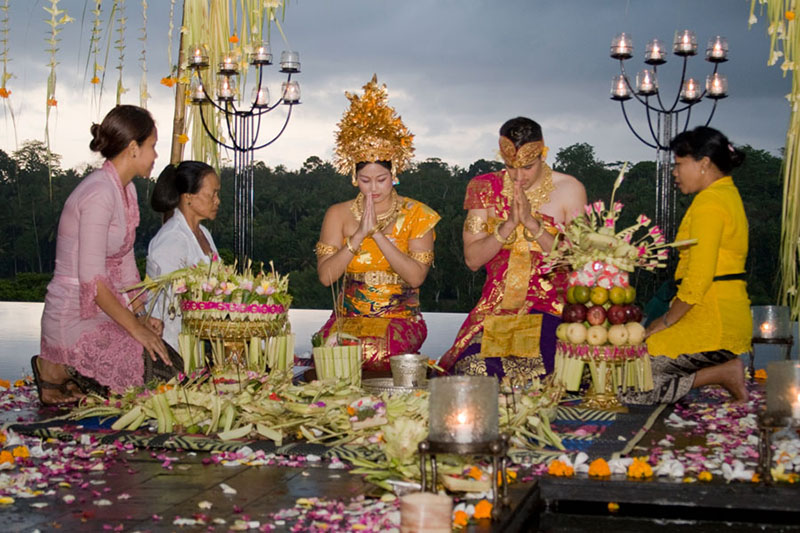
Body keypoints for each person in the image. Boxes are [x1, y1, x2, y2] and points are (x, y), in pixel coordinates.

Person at [35, 105, 169, 405]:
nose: (155, 155)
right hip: (73, 316)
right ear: (133, 148)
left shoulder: (126, 191)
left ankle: (67, 373)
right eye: (152, 146)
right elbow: (93, 284)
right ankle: (55, 368)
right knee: (154, 375)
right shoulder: (98, 193)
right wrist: (136, 330)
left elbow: (125, 262)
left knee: (169, 366)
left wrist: (142, 316)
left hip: (103, 312)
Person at [440, 117, 586, 382]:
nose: (518, 177)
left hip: (550, 307)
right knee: (472, 371)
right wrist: (508, 225)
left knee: (533, 376)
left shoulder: (570, 190)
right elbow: (473, 260)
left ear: (543, 154)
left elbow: (579, 262)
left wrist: (532, 224)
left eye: (528, 167)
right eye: (510, 167)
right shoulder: (483, 188)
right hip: (497, 307)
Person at [314, 75, 441, 373]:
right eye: (364, 180)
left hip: (398, 319)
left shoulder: (417, 214)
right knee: (327, 354)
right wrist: (358, 236)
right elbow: (326, 278)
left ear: (394, 173)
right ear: (353, 177)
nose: (373, 188)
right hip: (348, 317)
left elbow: (416, 278)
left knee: (371, 355)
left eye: (381, 179)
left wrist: (379, 236)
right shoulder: (338, 213)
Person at [623, 126, 750, 404]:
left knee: (630, 387)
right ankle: (717, 371)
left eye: (679, 164)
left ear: (703, 163)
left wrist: (664, 322)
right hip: (717, 316)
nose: (674, 172)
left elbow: (698, 278)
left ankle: (724, 373)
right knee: (632, 366)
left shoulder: (710, 204)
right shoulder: (726, 195)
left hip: (711, 321)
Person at [146, 161, 221, 379]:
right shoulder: (171, 240)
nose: (217, 201)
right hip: (177, 348)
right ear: (188, 196)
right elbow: (170, 305)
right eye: (212, 194)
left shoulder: (204, 233)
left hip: (202, 343)